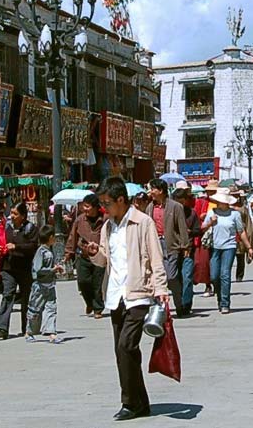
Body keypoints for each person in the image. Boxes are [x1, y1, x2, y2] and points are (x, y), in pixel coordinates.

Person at [87, 177, 170, 421]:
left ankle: (129, 402)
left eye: (107, 203)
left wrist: (161, 288)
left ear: (121, 200)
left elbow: (156, 258)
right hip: (115, 295)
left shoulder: (142, 223)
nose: (104, 208)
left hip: (138, 294)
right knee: (123, 351)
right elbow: (105, 259)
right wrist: (95, 253)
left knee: (126, 346)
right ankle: (140, 402)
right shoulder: (108, 226)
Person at [146, 178, 191, 313]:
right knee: (156, 277)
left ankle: (179, 303)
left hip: (171, 244)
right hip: (155, 244)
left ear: (160, 191)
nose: (151, 192)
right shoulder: (150, 207)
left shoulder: (175, 206)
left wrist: (185, 245)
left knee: (171, 277)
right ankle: (159, 309)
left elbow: (182, 227)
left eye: (153, 189)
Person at [0, 202, 37, 340]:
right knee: (8, 295)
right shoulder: (6, 228)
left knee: (26, 297)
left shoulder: (30, 229)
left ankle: (27, 326)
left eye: (15, 214)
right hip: (8, 268)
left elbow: (33, 246)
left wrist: (16, 247)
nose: (11, 216)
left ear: (23, 216)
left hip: (25, 268)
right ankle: (2, 328)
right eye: (11, 213)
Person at [65, 194, 107, 318]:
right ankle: (89, 302)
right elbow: (73, 236)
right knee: (83, 282)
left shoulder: (105, 219)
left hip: (100, 256)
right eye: (84, 206)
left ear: (95, 207)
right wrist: (69, 252)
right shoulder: (80, 219)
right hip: (83, 255)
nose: (85, 209)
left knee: (97, 284)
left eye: (88, 207)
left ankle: (98, 309)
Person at [203, 190, 244, 314]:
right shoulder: (211, 212)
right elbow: (203, 227)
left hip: (229, 246)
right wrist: (211, 222)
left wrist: (249, 247)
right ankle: (220, 298)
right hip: (215, 247)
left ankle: (225, 303)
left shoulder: (235, 214)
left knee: (225, 274)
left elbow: (241, 231)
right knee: (214, 276)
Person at [28, 228, 64, 344]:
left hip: (50, 285)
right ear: (50, 237)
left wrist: (55, 270)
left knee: (51, 308)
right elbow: (38, 269)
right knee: (35, 309)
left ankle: (51, 333)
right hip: (40, 286)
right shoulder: (41, 252)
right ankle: (29, 331)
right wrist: (52, 269)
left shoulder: (49, 250)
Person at [171, 188, 199, 316]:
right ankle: (179, 303)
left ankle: (186, 304)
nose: (180, 205)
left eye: (182, 202)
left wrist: (190, 233)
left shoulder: (191, 213)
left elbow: (198, 230)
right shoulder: (170, 214)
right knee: (175, 279)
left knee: (187, 277)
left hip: (188, 250)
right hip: (173, 250)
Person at [232, 191, 253, 282]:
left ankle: (239, 276)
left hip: (241, 236)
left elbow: (249, 224)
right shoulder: (224, 208)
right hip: (228, 236)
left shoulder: (243, 208)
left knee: (240, 257)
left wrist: (250, 242)